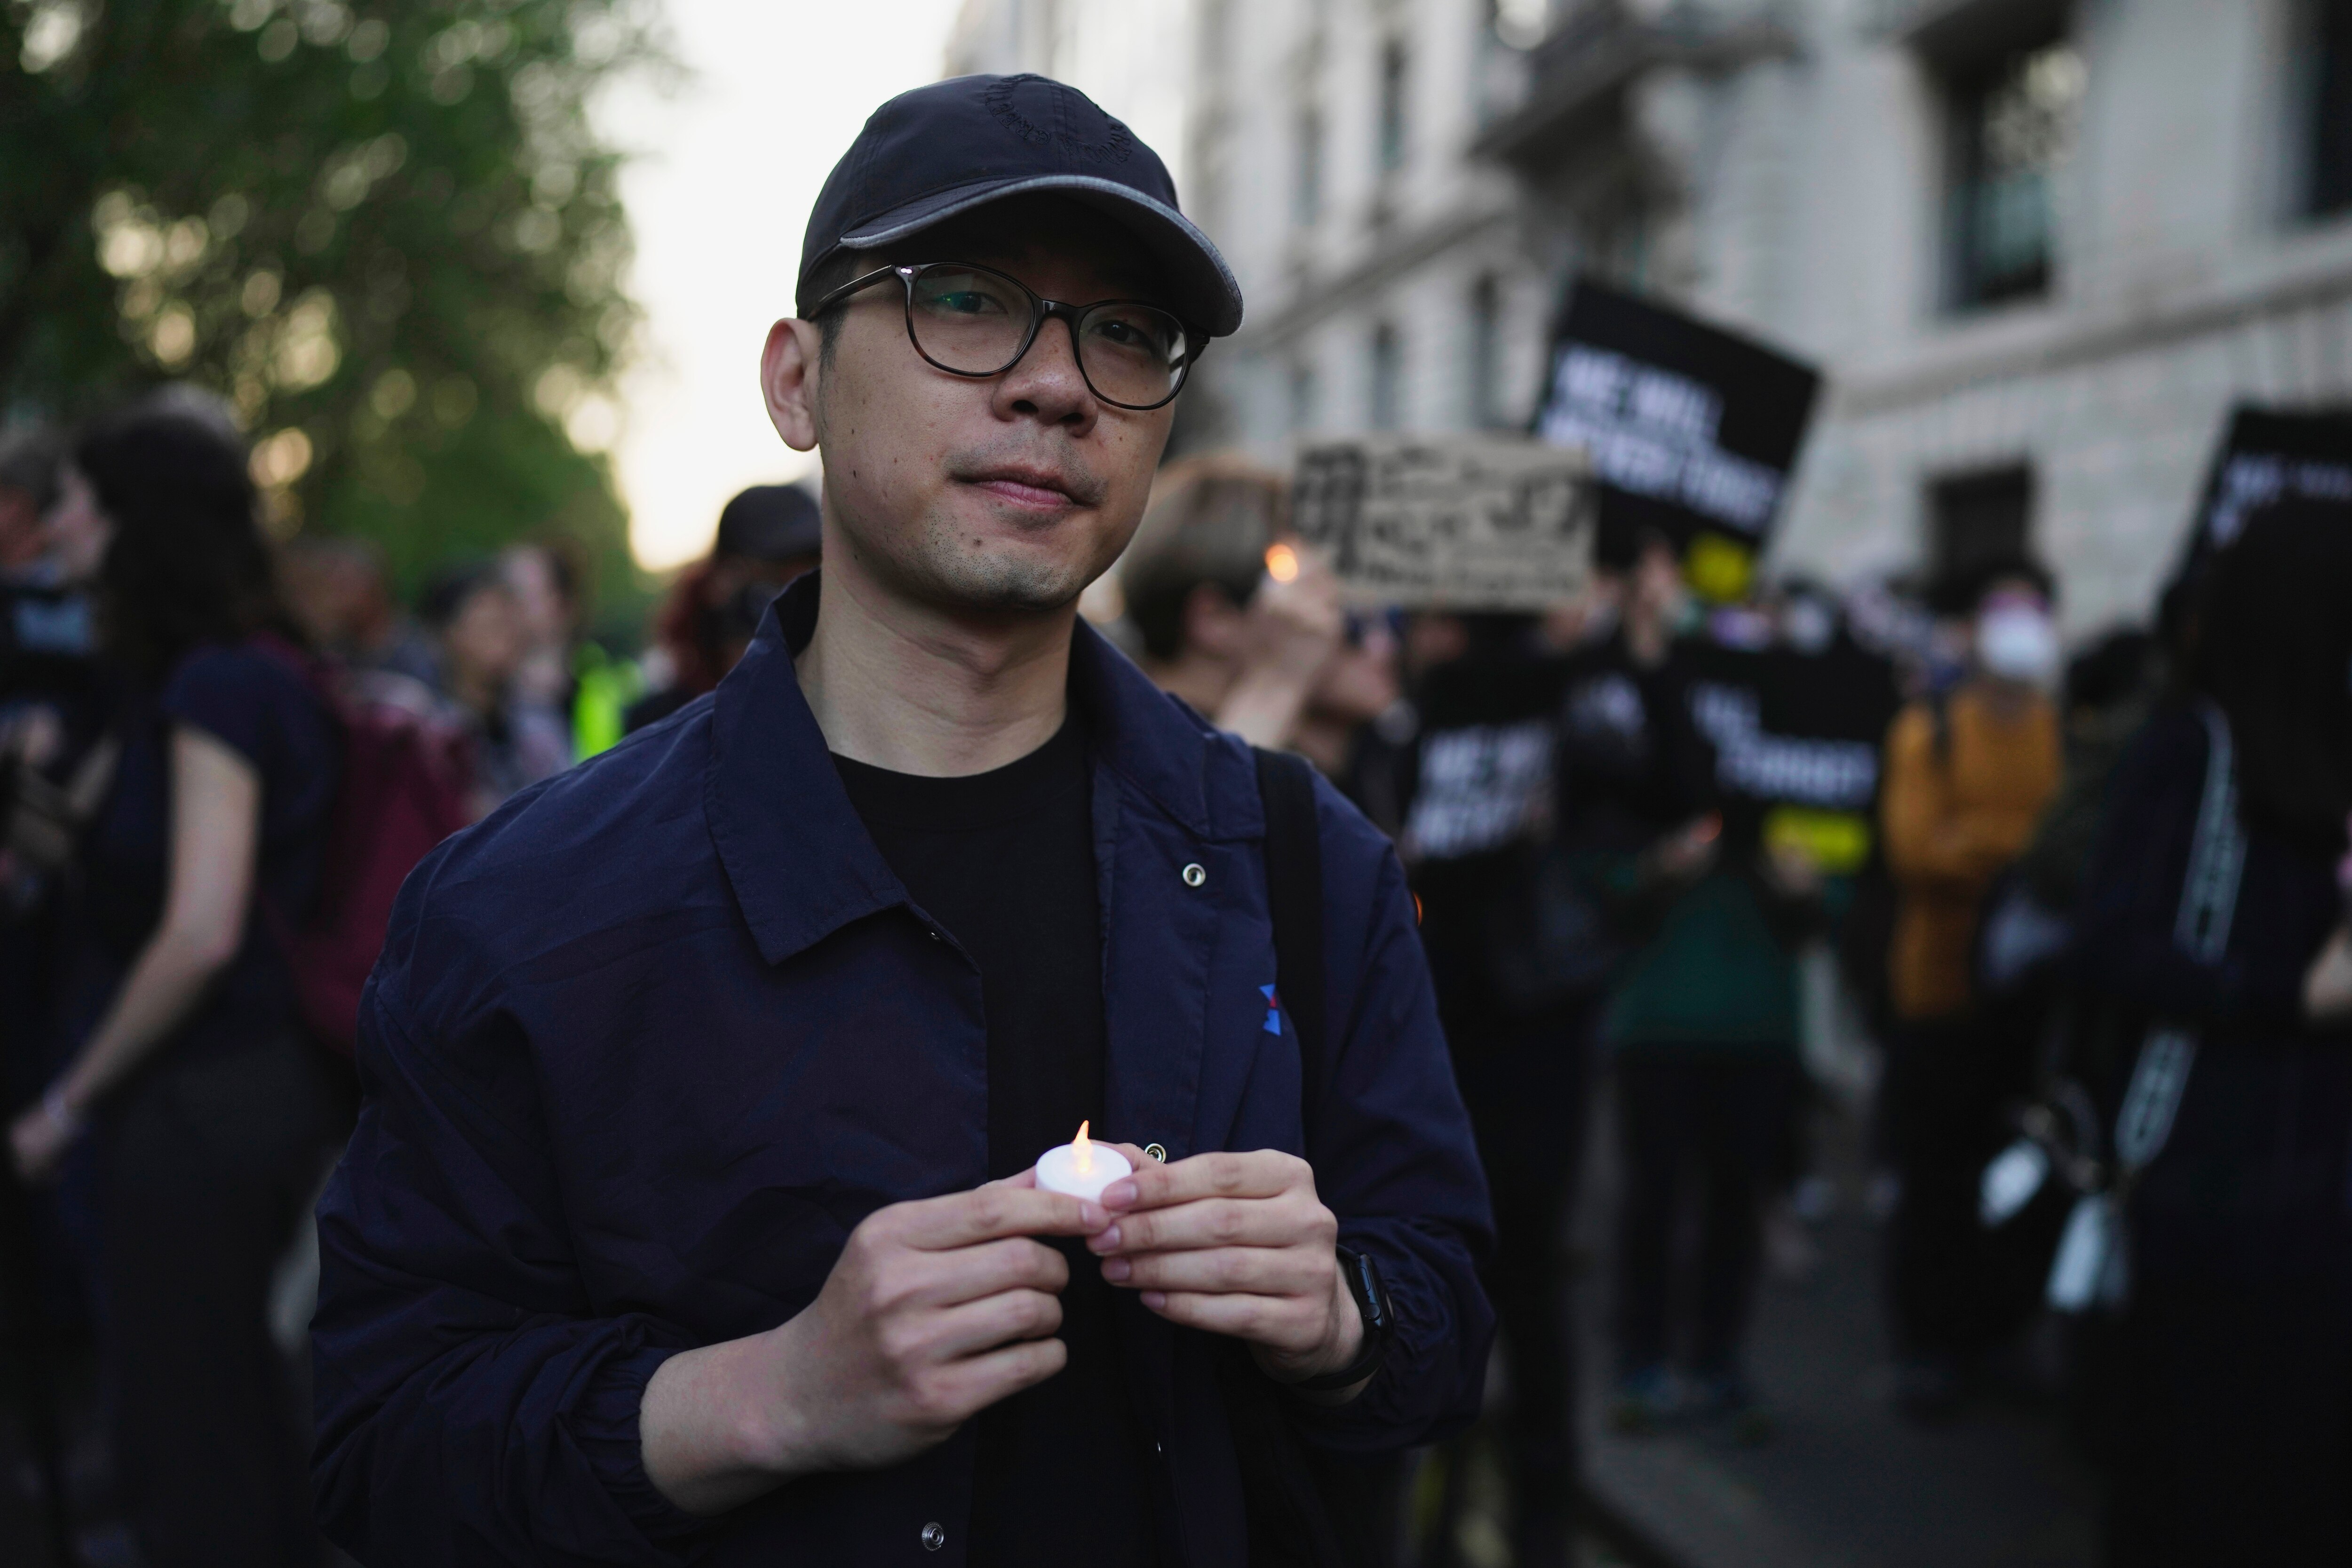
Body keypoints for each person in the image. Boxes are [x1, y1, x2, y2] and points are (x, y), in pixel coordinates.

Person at [310, 72, 1493, 1567]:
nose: (1058, 385)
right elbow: (383, 1450)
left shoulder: (1303, 861)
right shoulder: (525, 905)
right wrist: (772, 1394)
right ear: (796, 381)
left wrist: (1336, 1316)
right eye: (967, 302)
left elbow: (1441, 1326)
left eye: (1127, 332)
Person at [5, 398, 350, 1568]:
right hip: (237, 1095)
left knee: (202, 1432)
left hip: (207, 1103)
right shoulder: (201, 680)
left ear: (136, 523)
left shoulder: (217, 689)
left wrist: (66, 1105)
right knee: (227, 1412)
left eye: (77, 504)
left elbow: (198, 931)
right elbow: (82, 863)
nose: (57, 525)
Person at [2081, 500, 2352, 1563]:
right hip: (2208, 1198)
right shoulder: (2192, 752)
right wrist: (2286, 994)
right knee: (2200, 1491)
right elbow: (2113, 947)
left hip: (2321, 1205)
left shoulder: (2332, 757)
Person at [1596, 535, 1817, 1442]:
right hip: (1661, 1018)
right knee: (1654, 1202)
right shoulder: (1641, 742)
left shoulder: (1797, 752)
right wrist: (1654, 870)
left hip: (1759, 1024)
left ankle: (1719, 1359)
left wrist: (1805, 883)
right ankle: (1644, 1358)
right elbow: (1598, 870)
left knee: (1736, 1205)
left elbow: (1837, 885)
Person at [1875, 559, 2063, 1416]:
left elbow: (2069, 848)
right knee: (1936, 1179)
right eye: (2003, 609)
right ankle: (1931, 1344)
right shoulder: (1930, 731)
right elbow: (1918, 851)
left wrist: (1976, 838)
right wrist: (2021, 846)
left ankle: (2000, 1332)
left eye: (2033, 609)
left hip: (2027, 1001)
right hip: (1938, 994)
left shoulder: (2063, 733)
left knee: (2018, 1173)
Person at [1120, 455, 1346, 752]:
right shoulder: (1135, 742)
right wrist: (1280, 683)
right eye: (1289, 570)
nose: (1329, 605)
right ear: (1214, 618)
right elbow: (1208, 781)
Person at [625, 482, 823, 734]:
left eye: (807, 586)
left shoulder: (836, 721)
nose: (788, 612)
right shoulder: (660, 732)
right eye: (765, 594)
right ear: (717, 589)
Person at [414, 560, 537, 818]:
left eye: (510, 623)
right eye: (491, 625)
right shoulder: (428, 735)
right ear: (449, 634)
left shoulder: (536, 723)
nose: (508, 637)